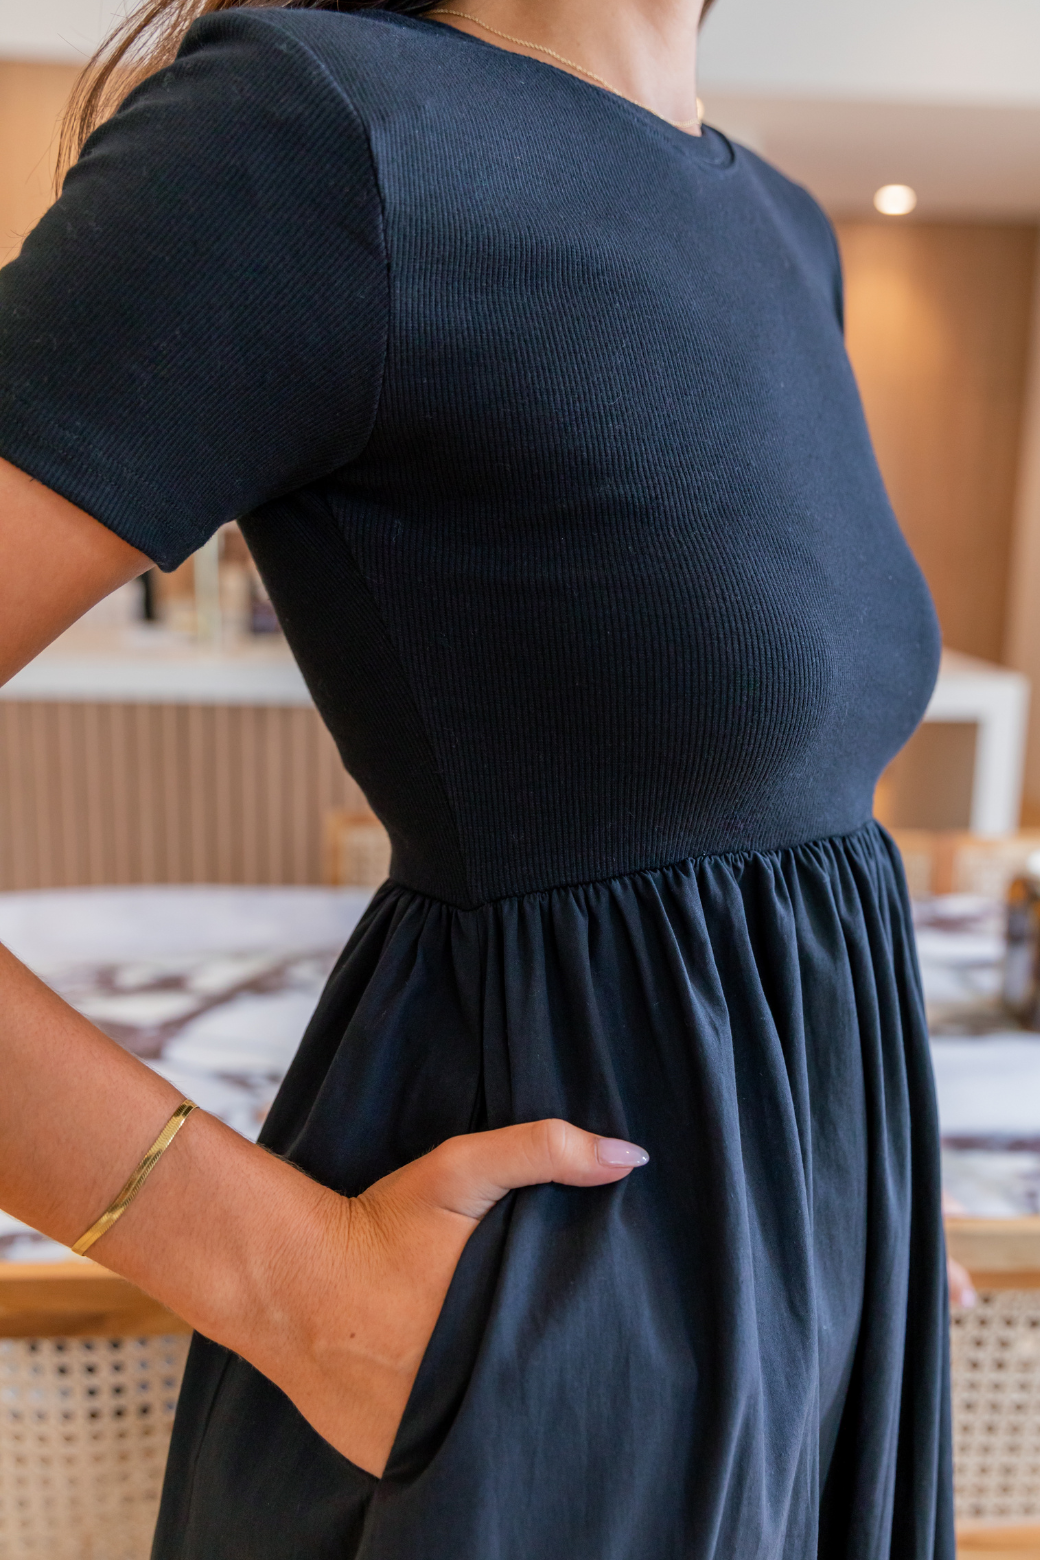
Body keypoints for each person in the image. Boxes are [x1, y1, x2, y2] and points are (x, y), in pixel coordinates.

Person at [0, 0, 956, 1553]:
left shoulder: (784, 224)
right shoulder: (327, 135)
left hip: (807, 1320)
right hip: (548, 1372)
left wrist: (836, 1194)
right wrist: (289, 1283)